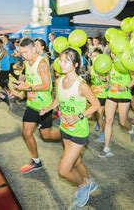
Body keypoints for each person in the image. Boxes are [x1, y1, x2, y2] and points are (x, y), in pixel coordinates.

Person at [40, 48, 100, 208]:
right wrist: (47, 108)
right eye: (60, 59)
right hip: (64, 129)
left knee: (63, 170)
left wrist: (78, 116)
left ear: (74, 64)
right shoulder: (59, 81)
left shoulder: (82, 85)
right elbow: (58, 100)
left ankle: (83, 185)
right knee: (77, 160)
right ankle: (90, 182)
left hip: (79, 132)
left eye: (65, 61)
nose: (61, 63)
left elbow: (96, 105)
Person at [14, 38, 61, 174]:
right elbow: (27, 80)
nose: (23, 55)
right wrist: (19, 91)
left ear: (34, 48)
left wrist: (27, 87)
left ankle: (66, 135)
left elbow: (46, 86)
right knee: (26, 132)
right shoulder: (27, 62)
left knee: (46, 135)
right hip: (32, 105)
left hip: (44, 107)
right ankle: (36, 161)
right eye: (21, 52)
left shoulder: (42, 64)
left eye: (25, 51)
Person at [99, 62, 134, 158]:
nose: (113, 54)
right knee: (108, 120)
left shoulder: (127, 64)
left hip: (124, 95)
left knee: (123, 122)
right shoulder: (110, 65)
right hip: (111, 95)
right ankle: (106, 148)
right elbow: (109, 80)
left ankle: (131, 129)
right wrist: (106, 82)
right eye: (112, 53)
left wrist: (125, 87)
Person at [88, 48, 108, 143]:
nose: (94, 58)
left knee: (99, 115)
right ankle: (100, 122)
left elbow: (109, 84)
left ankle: (103, 133)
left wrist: (103, 78)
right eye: (93, 56)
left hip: (102, 94)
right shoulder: (91, 68)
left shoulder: (105, 69)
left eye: (96, 56)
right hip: (93, 94)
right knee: (93, 114)